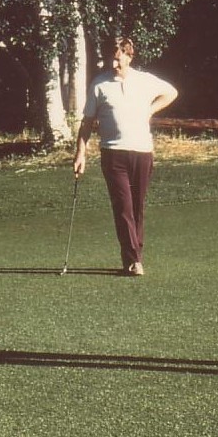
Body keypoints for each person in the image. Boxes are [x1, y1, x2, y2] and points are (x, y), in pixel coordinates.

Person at [74, 37, 178, 276]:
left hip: (142, 152)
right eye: (110, 58)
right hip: (113, 154)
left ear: (129, 56)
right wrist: (81, 153)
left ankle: (133, 256)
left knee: (137, 208)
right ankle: (133, 260)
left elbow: (172, 92)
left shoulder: (145, 80)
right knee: (123, 207)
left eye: (118, 58)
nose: (113, 63)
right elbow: (87, 122)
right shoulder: (99, 84)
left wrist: (150, 109)